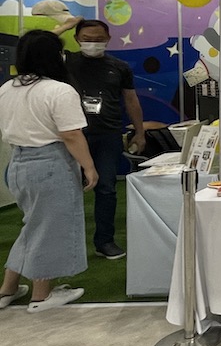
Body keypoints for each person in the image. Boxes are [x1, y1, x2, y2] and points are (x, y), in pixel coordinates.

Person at [0, 30, 98, 313]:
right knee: (50, 228)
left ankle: (7, 289)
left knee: (33, 224)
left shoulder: (7, 88)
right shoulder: (58, 90)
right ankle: (41, 296)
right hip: (50, 163)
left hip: (18, 163)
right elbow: (71, 135)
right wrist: (89, 166)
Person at [63, 19, 145, 261]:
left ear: (108, 39)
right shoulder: (65, 63)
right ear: (77, 39)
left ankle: (105, 242)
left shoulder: (119, 67)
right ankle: (65, 245)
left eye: (98, 39)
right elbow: (37, 45)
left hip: (108, 134)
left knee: (107, 188)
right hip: (71, 134)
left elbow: (131, 100)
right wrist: (65, 26)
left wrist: (139, 132)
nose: (93, 43)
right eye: (87, 39)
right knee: (66, 190)